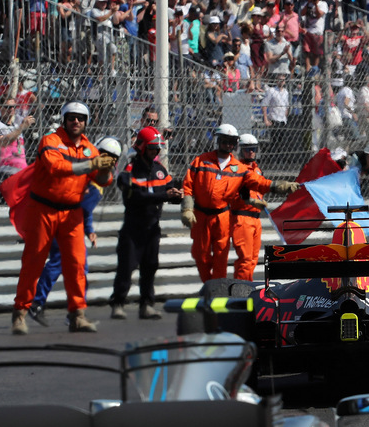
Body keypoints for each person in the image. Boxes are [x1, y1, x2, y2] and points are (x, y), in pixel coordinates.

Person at [10, 102, 115, 335]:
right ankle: (20, 313)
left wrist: (106, 168)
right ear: (64, 120)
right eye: (71, 117)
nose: (76, 121)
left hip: (73, 213)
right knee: (33, 262)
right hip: (43, 209)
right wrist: (92, 164)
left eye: (80, 118)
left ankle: (78, 315)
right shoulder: (51, 140)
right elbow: (56, 167)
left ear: (86, 121)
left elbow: (103, 179)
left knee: (77, 264)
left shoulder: (90, 148)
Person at [181, 123, 292, 283]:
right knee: (200, 254)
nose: (228, 144)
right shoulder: (201, 161)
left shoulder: (239, 168)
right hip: (200, 215)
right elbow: (188, 185)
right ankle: (208, 285)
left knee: (221, 256)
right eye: (225, 140)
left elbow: (258, 182)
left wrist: (281, 186)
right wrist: (187, 208)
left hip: (222, 216)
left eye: (232, 141)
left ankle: (217, 290)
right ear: (218, 140)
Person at [29, 137, 119, 327]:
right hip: (64, 223)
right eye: (105, 156)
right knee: (64, 261)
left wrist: (89, 229)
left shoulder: (91, 178)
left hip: (67, 222)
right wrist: (89, 229)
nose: (108, 161)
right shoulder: (92, 183)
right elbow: (83, 208)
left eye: (112, 158)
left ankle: (75, 313)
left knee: (78, 268)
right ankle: (38, 301)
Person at [109, 126, 181, 319]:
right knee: (126, 267)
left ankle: (146, 305)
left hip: (152, 228)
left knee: (150, 266)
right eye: (151, 148)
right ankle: (118, 303)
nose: (155, 152)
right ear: (141, 147)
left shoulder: (160, 170)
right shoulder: (129, 171)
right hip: (133, 228)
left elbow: (171, 189)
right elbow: (136, 197)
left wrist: (178, 195)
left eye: (157, 149)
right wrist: (163, 195)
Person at [229, 133, 275, 282]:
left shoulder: (257, 170)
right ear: (241, 150)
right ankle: (242, 293)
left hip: (255, 219)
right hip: (242, 218)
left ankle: (244, 289)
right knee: (245, 260)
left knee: (253, 259)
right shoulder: (235, 169)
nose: (251, 152)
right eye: (247, 149)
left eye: (253, 149)